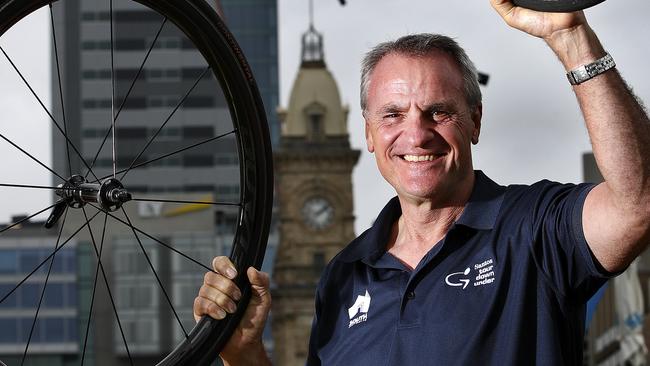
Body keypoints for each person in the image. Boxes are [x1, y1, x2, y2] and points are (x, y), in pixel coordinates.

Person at [194, 0, 650, 364]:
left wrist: (571, 38)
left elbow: (638, 203)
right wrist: (246, 354)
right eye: (392, 115)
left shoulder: (533, 230)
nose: (416, 134)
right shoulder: (342, 277)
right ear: (369, 136)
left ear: (475, 120)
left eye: (439, 111)